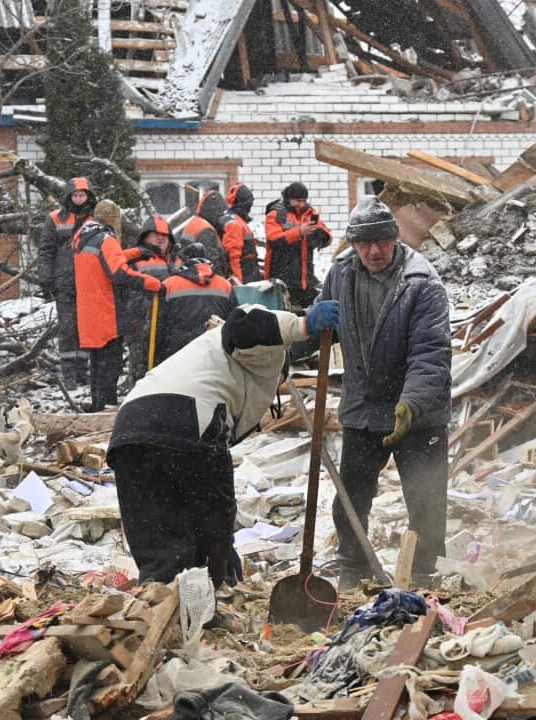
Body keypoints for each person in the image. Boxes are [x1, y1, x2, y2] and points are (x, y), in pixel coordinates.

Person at [107, 301, 342, 585]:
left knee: (158, 536)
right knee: (211, 518)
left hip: (130, 430)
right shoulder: (266, 354)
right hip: (188, 419)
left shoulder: (203, 357)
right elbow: (241, 326)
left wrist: (221, 544)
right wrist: (303, 324)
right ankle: (203, 602)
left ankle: (160, 602)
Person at [315, 197, 451, 591]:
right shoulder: (341, 272)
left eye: (381, 242)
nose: (373, 251)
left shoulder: (421, 284)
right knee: (352, 495)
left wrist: (411, 404)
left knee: (425, 497)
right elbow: (325, 323)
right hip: (363, 406)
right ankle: (352, 568)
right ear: (353, 244)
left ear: (395, 239)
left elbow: (430, 353)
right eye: (364, 243)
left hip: (417, 410)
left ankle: (423, 573)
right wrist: (294, 338)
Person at [72, 200, 164, 412]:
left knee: (97, 366)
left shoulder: (85, 238)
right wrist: (153, 284)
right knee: (110, 367)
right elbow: (119, 273)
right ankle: (107, 410)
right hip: (107, 313)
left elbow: (108, 260)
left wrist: (138, 252)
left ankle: (97, 407)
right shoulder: (106, 238)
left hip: (89, 313)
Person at [38, 176, 96, 389]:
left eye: (82, 195)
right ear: (69, 196)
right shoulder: (55, 218)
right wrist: (45, 278)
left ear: (88, 197)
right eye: (76, 195)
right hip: (65, 282)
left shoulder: (96, 219)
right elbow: (46, 250)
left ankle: (83, 371)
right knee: (68, 328)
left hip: (89, 283)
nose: (79, 198)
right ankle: (69, 374)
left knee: (86, 328)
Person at [153, 243, 236, 366]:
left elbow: (156, 329)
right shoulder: (225, 286)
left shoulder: (168, 285)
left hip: (176, 357)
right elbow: (234, 324)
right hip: (215, 356)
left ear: (182, 261)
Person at [123, 214, 181, 382]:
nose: (160, 238)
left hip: (171, 326)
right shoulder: (135, 259)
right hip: (141, 324)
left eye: (164, 235)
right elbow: (128, 292)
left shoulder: (177, 259)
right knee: (141, 371)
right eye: (155, 234)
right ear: (145, 236)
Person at [265, 182, 331, 309]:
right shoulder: (276, 214)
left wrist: (322, 236)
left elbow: (327, 233)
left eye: (304, 200)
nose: (301, 204)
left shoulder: (310, 213)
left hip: (305, 280)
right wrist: (300, 232)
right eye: (298, 201)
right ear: (289, 199)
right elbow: (274, 240)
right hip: (283, 279)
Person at [178, 190, 232, 279]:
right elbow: (212, 261)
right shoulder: (206, 230)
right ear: (214, 212)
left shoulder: (195, 222)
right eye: (220, 214)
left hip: (190, 274)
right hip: (203, 278)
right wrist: (221, 281)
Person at [220, 182, 263, 283]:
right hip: (245, 278)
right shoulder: (235, 223)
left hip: (247, 275)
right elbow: (233, 256)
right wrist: (237, 282)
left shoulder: (235, 220)